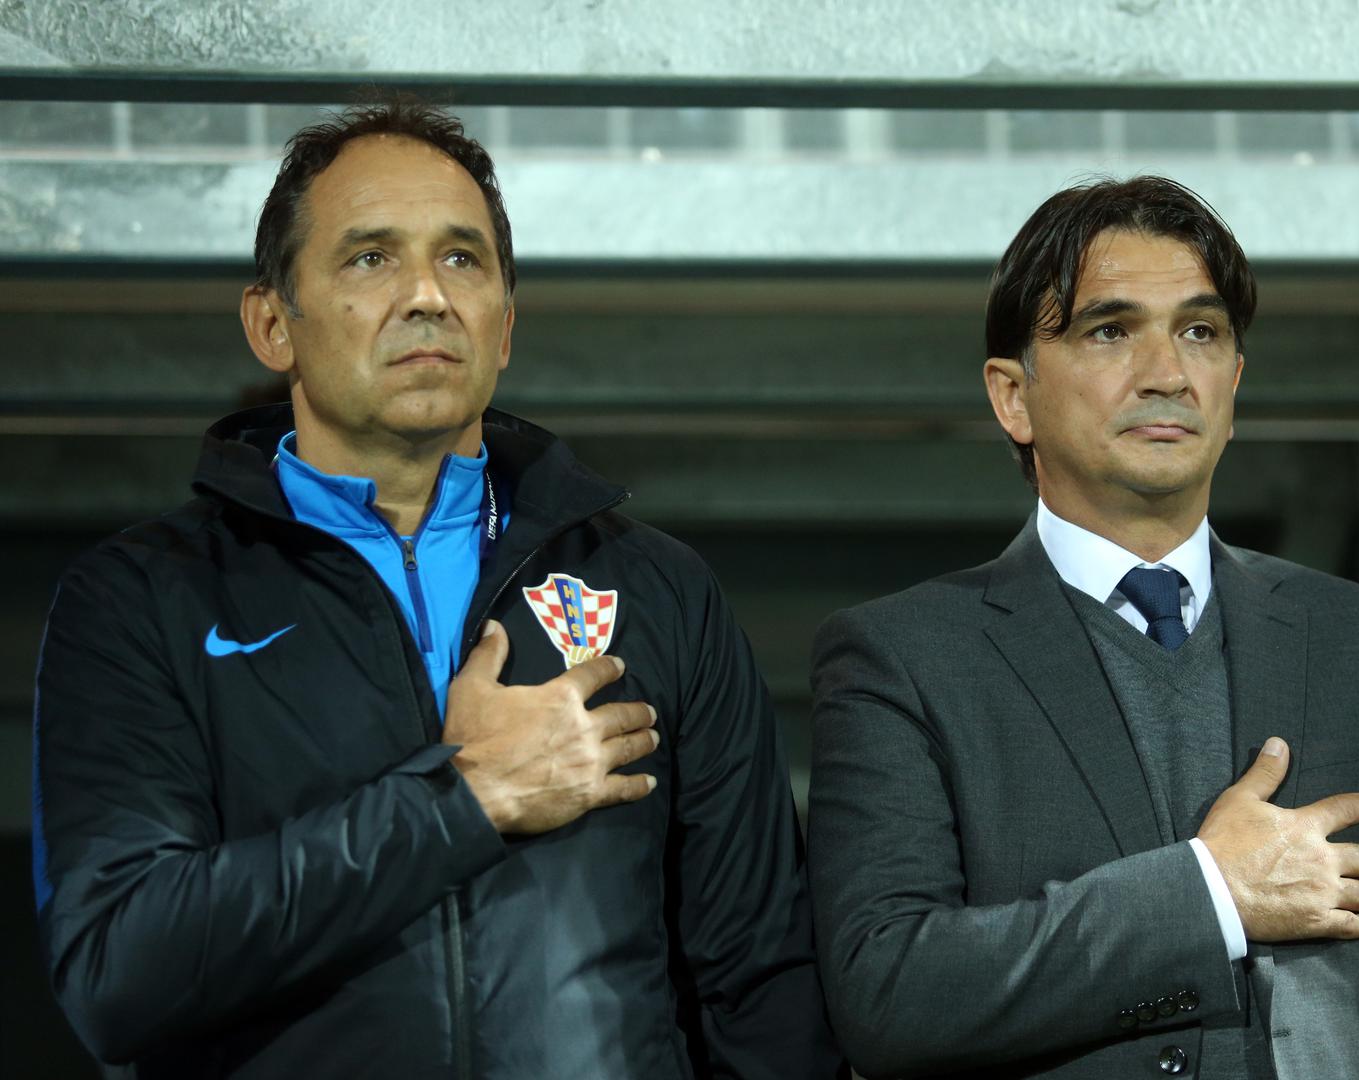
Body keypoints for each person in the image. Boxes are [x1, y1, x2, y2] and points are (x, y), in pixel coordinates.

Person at [32, 98, 842, 1079]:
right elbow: (117, 970)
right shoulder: (142, 599)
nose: (427, 296)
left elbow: (761, 984)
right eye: (370, 258)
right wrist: (460, 801)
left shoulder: (656, 587)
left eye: (462, 259)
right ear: (272, 324)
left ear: (505, 327)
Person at [806, 176, 1359, 1079]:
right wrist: (1208, 894)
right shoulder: (902, 658)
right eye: (1110, 331)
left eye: (1200, 332)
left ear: (1233, 383)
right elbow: (889, 993)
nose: (1167, 373)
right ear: (1013, 397)